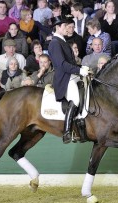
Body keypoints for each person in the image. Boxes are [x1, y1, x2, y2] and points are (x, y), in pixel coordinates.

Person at [48, 15, 90, 144]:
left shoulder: (63, 41)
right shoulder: (55, 43)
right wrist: (79, 70)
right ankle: (67, 132)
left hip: (72, 75)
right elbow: (61, 65)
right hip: (65, 78)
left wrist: (81, 67)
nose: (68, 28)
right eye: (65, 26)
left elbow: (69, 62)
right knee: (75, 99)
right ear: (58, 27)